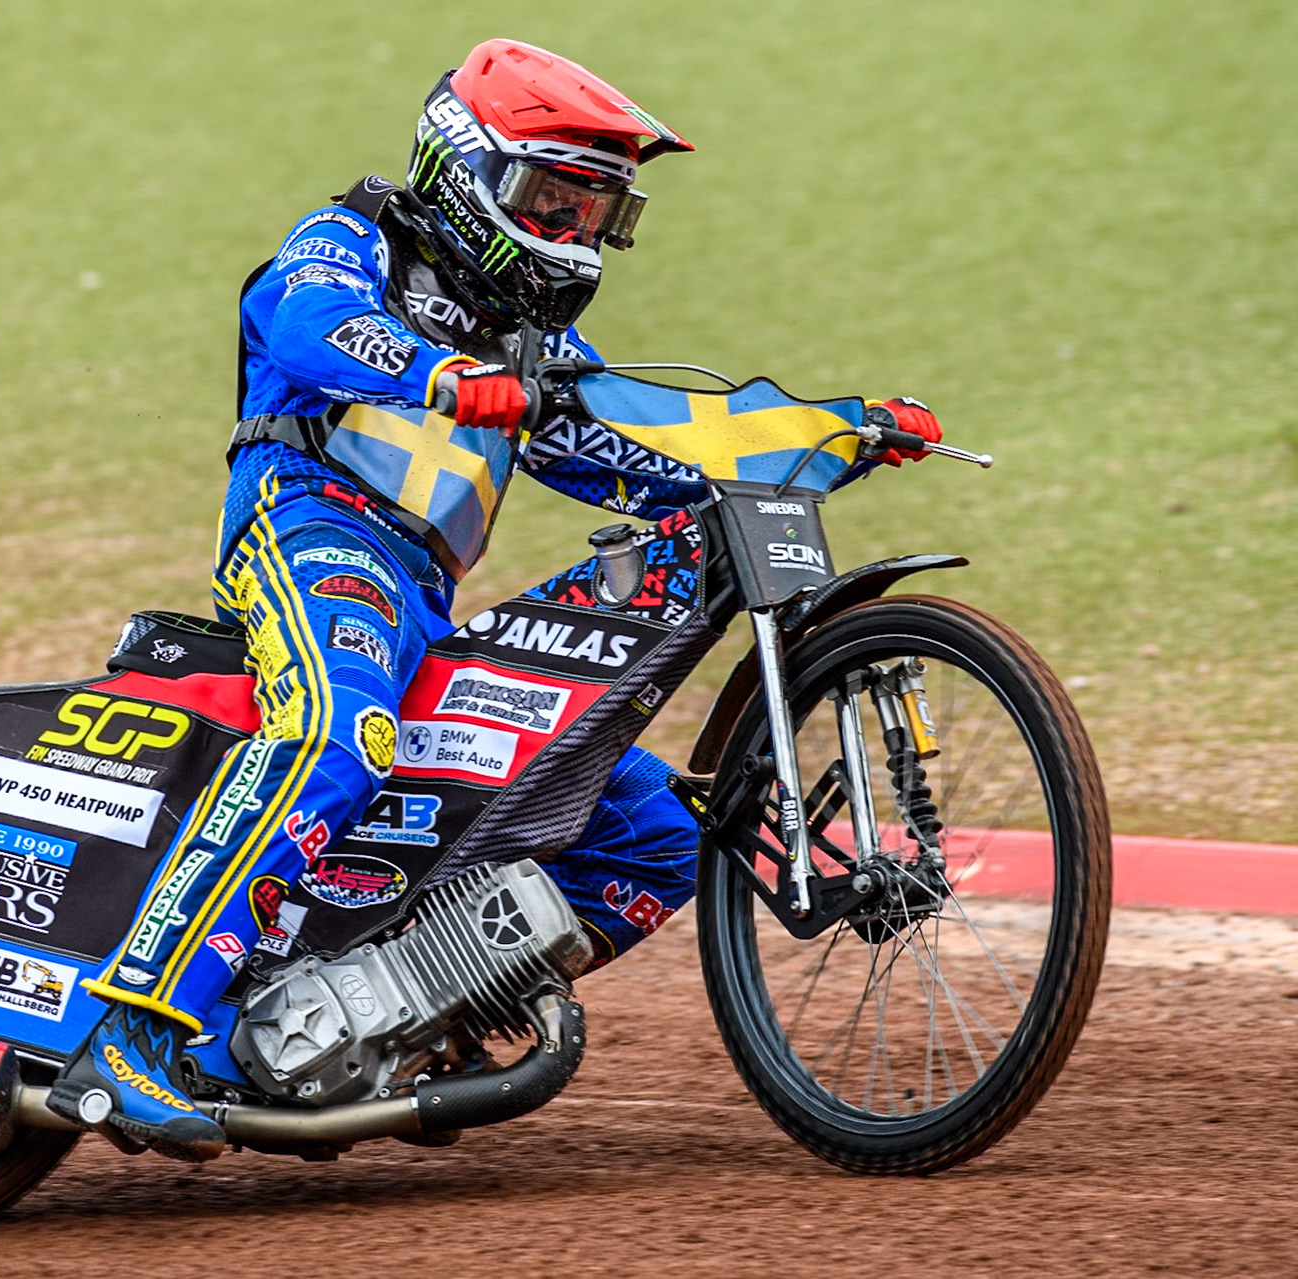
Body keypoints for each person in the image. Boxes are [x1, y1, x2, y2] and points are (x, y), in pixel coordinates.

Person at [48, 38, 942, 1160]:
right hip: (313, 534)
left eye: (596, 211)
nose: (571, 234)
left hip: (424, 599)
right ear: (461, 168)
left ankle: (416, 1004)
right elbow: (303, 323)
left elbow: (647, 448)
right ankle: (131, 1023)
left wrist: (829, 435)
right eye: (549, 199)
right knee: (337, 732)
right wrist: (437, 373)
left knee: (658, 836)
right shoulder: (355, 236)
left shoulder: (541, 345)